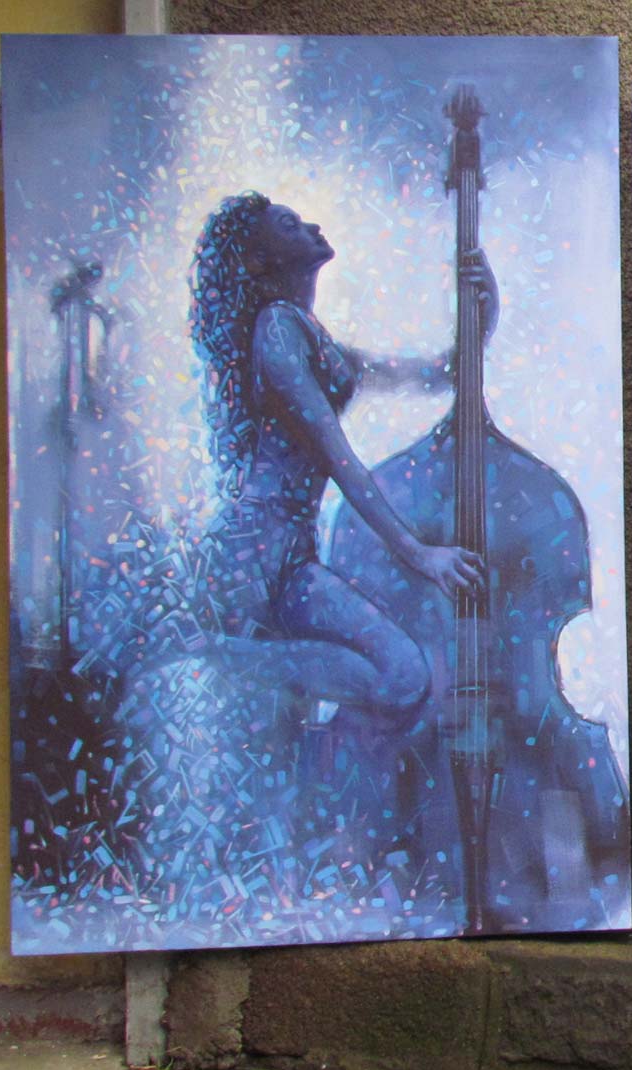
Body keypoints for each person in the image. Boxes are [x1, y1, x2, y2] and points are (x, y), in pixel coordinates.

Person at [152, 190, 490, 705]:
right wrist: (419, 554)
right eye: (289, 226)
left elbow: (437, 373)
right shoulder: (276, 329)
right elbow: (338, 458)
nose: (311, 226)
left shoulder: (310, 336)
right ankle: (197, 648)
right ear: (260, 260)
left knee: (402, 678)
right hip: (249, 556)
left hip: (292, 554)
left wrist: (485, 313)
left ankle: (205, 649)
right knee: (374, 686)